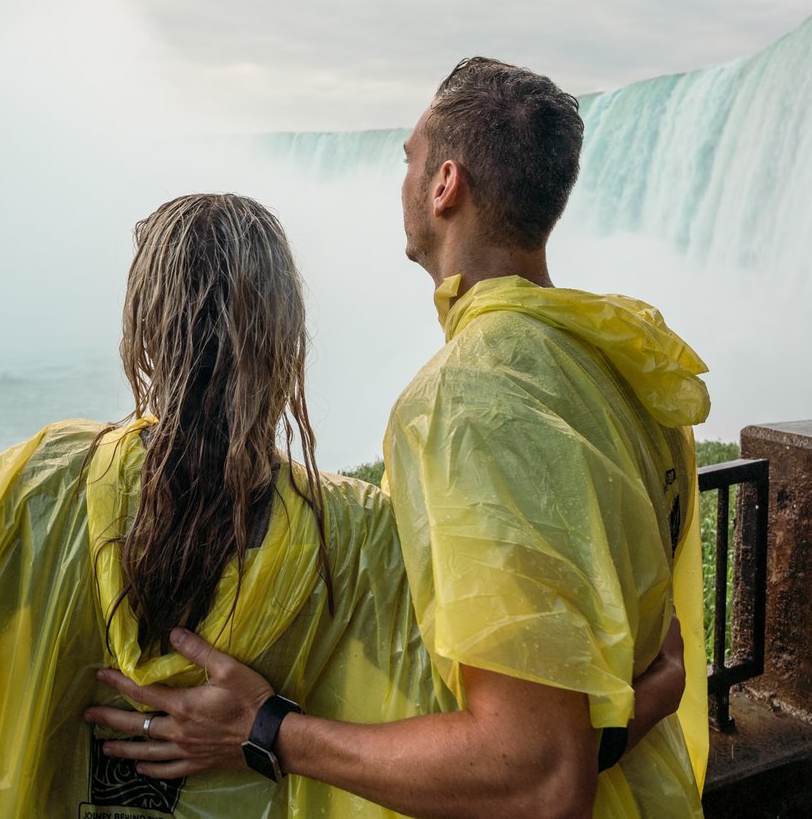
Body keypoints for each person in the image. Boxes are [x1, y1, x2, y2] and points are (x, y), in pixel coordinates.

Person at [0, 192, 687, 818]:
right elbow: (491, 749)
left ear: (142, 334)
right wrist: (640, 704)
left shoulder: (30, 493)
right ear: (288, 342)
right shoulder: (357, 536)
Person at [88, 59, 711, 819]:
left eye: (410, 158)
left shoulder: (469, 401)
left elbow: (538, 777)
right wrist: (645, 702)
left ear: (445, 184)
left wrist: (264, 729)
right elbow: (634, 657)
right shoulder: (624, 368)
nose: (403, 176)